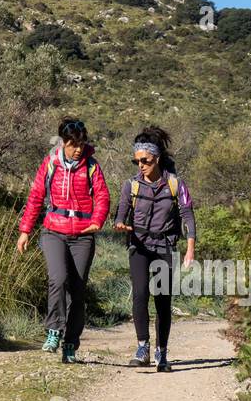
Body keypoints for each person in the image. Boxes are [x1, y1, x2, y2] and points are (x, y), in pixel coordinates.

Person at [16, 117, 110, 363]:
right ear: (63, 143)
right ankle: (53, 331)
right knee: (57, 279)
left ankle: (71, 342)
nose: (77, 149)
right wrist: (25, 230)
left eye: (81, 144)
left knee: (77, 291)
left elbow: (102, 196)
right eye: (72, 144)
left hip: (82, 235)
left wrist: (97, 221)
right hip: (53, 231)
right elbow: (36, 196)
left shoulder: (91, 166)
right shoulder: (51, 164)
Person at [114, 125, 196, 373]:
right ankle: (142, 348)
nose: (140, 165)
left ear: (157, 159)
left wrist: (190, 249)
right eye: (137, 161)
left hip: (164, 247)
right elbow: (120, 214)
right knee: (140, 295)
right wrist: (119, 224)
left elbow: (188, 216)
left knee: (162, 300)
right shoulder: (131, 185)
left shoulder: (175, 184)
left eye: (145, 160)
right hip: (138, 246)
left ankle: (162, 353)